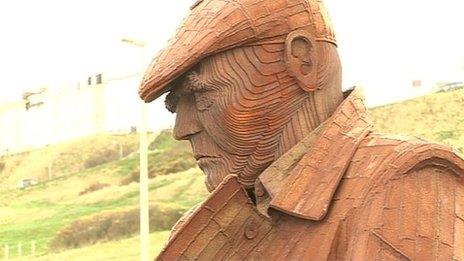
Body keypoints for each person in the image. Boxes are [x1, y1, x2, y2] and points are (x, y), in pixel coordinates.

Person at [139, 0, 464, 259]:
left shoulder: (406, 182)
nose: (181, 130)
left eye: (199, 96)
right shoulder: (211, 225)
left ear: (302, 62)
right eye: (175, 106)